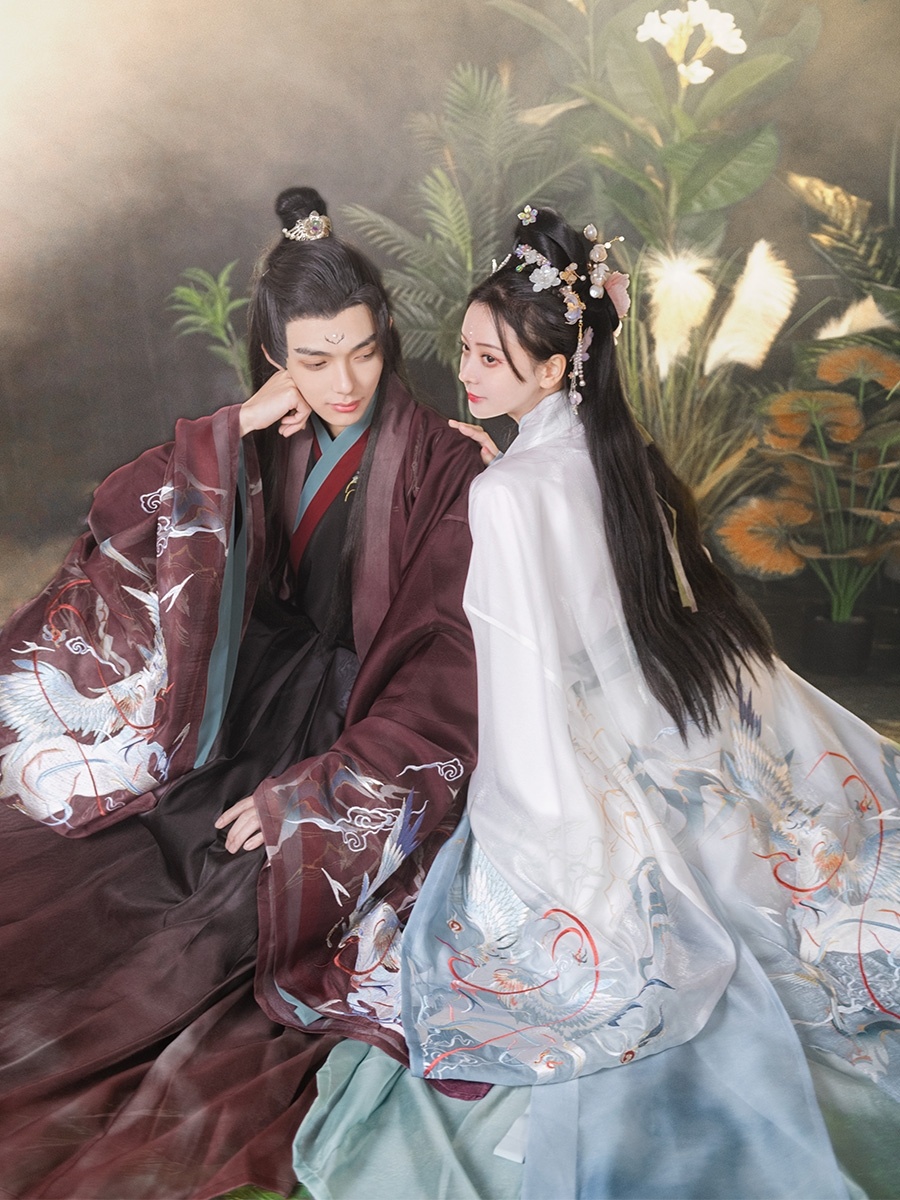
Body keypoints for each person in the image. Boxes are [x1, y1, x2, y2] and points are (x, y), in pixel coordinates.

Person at [291, 207, 900, 1200]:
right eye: (466, 350)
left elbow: (525, 691)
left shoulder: (508, 494)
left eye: (490, 358)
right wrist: (509, 466)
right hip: (675, 714)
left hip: (588, 742)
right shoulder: (614, 450)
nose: (466, 373)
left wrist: (532, 845)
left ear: (553, 368)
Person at [0, 186, 483, 1199]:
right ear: (273, 353)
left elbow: (447, 663)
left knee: (226, 926)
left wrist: (320, 790)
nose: (344, 382)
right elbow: (121, 518)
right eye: (314, 359)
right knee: (106, 878)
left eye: (363, 352)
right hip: (246, 707)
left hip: (356, 723)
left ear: (386, 337)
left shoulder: (440, 463)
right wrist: (229, 432)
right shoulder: (261, 430)